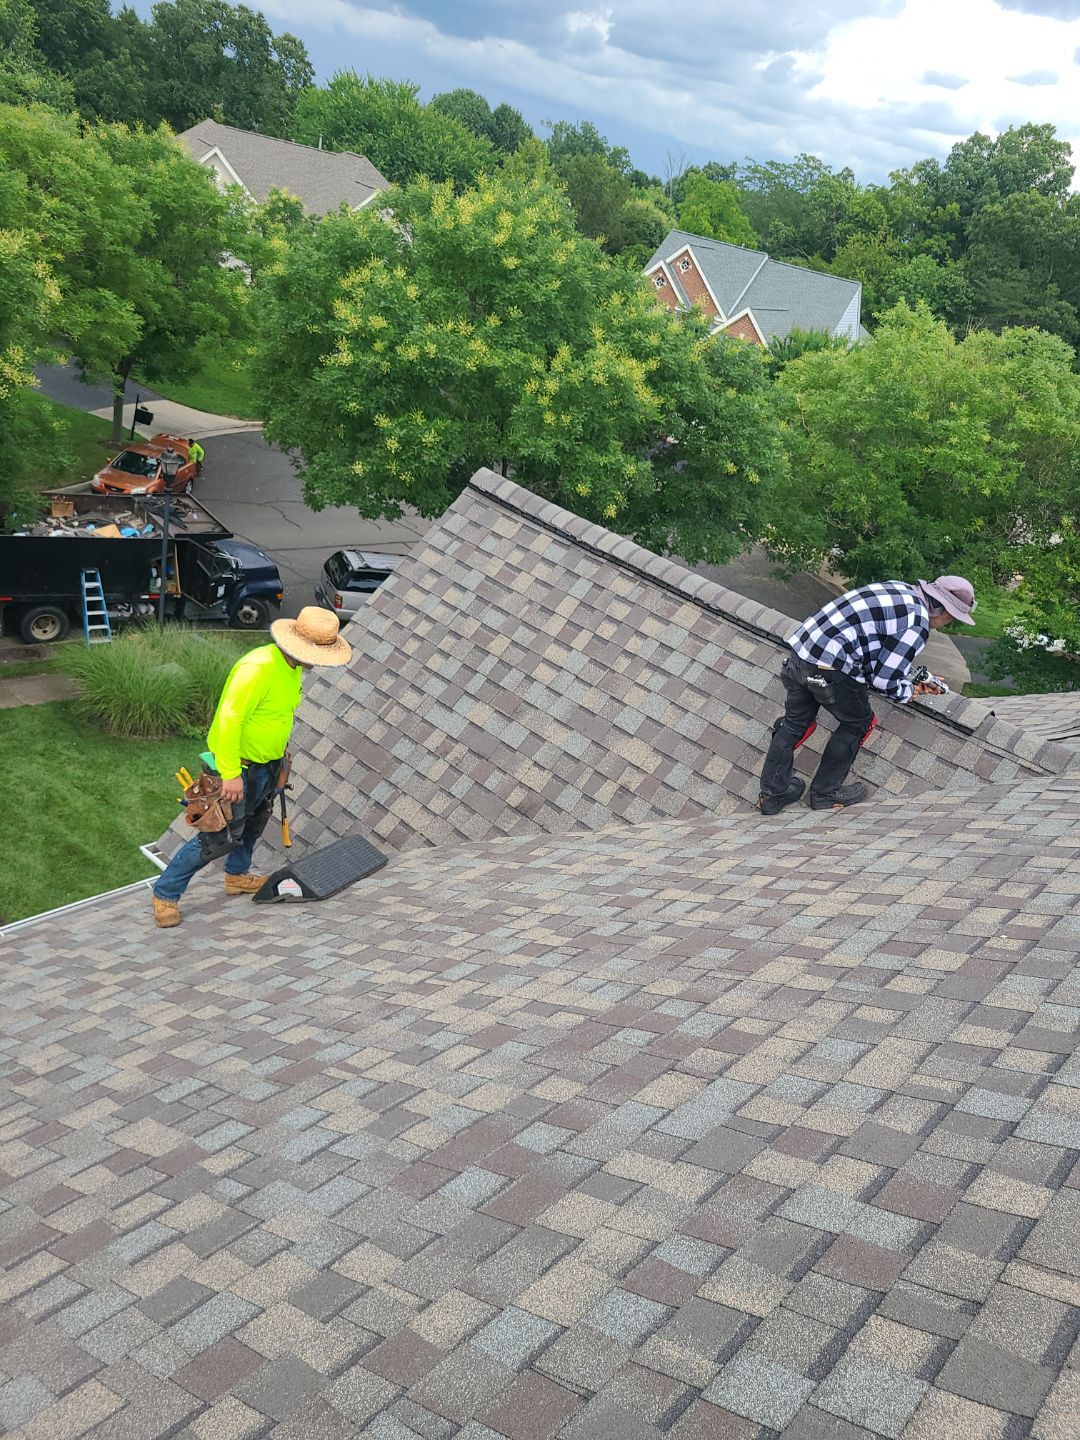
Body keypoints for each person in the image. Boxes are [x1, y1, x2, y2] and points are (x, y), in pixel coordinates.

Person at [152, 607, 352, 927]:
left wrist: (280, 749)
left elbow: (276, 713)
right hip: (238, 768)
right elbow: (228, 721)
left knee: (254, 824)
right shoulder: (257, 668)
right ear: (300, 646)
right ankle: (165, 894)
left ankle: (236, 876)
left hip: (267, 765)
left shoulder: (293, 667)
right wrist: (230, 773)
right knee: (216, 837)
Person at [758, 576, 976, 816]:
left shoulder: (899, 589)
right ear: (944, 610)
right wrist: (908, 691)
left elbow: (874, 649)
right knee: (858, 722)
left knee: (794, 723)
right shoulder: (917, 623)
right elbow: (883, 679)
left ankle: (772, 794)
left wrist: (911, 676)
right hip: (831, 667)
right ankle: (825, 793)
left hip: (802, 653)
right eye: (952, 618)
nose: (948, 623)